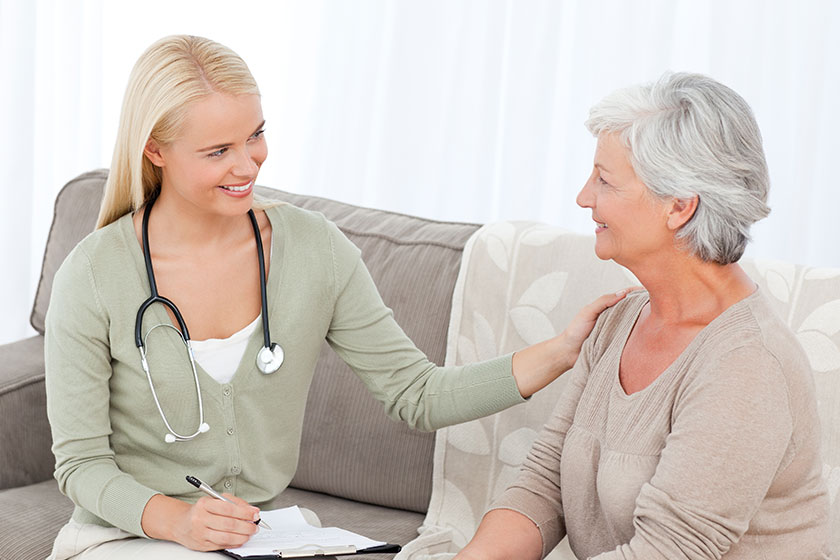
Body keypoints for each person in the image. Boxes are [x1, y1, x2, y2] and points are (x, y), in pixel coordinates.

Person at [43, 35, 627, 559]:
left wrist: (562, 350)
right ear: (155, 151)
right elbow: (80, 464)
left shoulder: (311, 249)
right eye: (218, 151)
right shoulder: (94, 275)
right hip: (125, 536)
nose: (248, 165)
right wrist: (177, 521)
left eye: (256, 135)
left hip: (259, 538)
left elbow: (416, 394)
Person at [454, 72, 831, 559]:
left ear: (679, 207)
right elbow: (543, 487)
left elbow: (669, 551)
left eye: (604, 180)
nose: (583, 197)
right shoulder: (619, 321)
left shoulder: (747, 364)